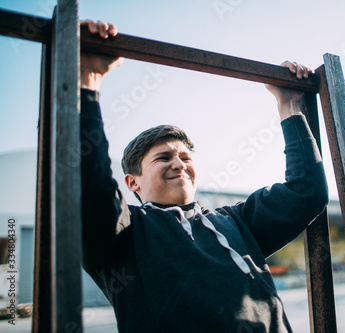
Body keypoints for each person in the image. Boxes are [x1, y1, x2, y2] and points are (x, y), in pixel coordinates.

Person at [80, 20, 328, 332]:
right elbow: (89, 187)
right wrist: (87, 82)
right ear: (133, 183)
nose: (179, 164)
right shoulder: (123, 234)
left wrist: (290, 104)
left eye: (185, 157)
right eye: (164, 157)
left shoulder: (237, 223)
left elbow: (307, 192)